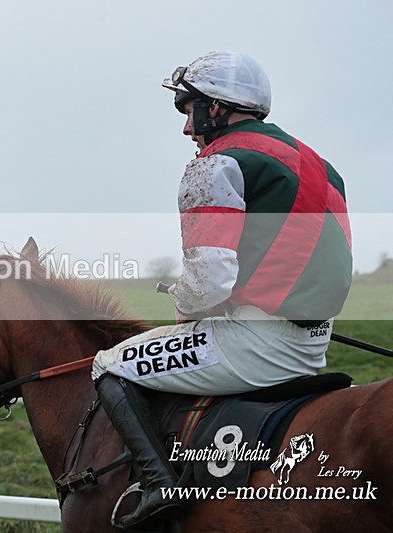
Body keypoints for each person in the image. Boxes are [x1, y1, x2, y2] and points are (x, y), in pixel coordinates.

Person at [91, 50, 352, 528]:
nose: (186, 129)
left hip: (256, 346)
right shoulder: (320, 164)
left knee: (108, 363)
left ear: (215, 108)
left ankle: (159, 486)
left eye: (188, 110)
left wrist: (182, 302)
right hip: (313, 345)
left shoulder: (214, 164)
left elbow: (208, 282)